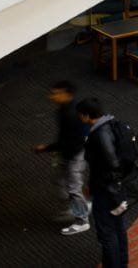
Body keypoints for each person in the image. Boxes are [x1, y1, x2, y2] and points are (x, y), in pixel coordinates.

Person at [77, 98, 131, 268]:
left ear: (86, 116)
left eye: (80, 115)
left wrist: (93, 185)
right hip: (118, 189)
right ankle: (122, 262)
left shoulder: (99, 135)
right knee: (119, 227)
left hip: (106, 191)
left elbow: (110, 164)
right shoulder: (112, 125)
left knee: (107, 233)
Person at [33, 80, 90, 235]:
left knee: (73, 188)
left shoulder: (71, 114)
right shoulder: (65, 109)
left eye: (55, 93)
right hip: (67, 151)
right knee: (58, 181)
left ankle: (82, 221)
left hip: (74, 155)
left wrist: (48, 148)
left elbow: (72, 141)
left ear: (66, 94)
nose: (51, 96)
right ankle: (75, 207)